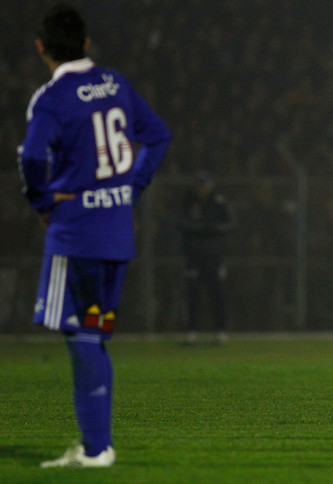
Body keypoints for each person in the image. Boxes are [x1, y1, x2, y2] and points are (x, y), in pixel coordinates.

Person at [18, 3, 171, 466]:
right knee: (95, 332)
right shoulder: (115, 83)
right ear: (86, 44)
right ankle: (95, 445)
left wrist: (44, 202)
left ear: (41, 47)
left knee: (80, 334)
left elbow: (30, 157)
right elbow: (157, 135)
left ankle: (97, 448)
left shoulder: (52, 98)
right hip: (117, 232)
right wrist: (131, 185)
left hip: (77, 232)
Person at [181, 171, 231, 344]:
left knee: (217, 294)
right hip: (194, 256)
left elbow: (228, 225)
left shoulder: (218, 203)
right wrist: (200, 228)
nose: (202, 190)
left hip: (213, 255)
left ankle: (221, 330)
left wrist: (211, 228)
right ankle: (191, 331)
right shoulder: (189, 202)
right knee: (193, 295)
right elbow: (182, 224)